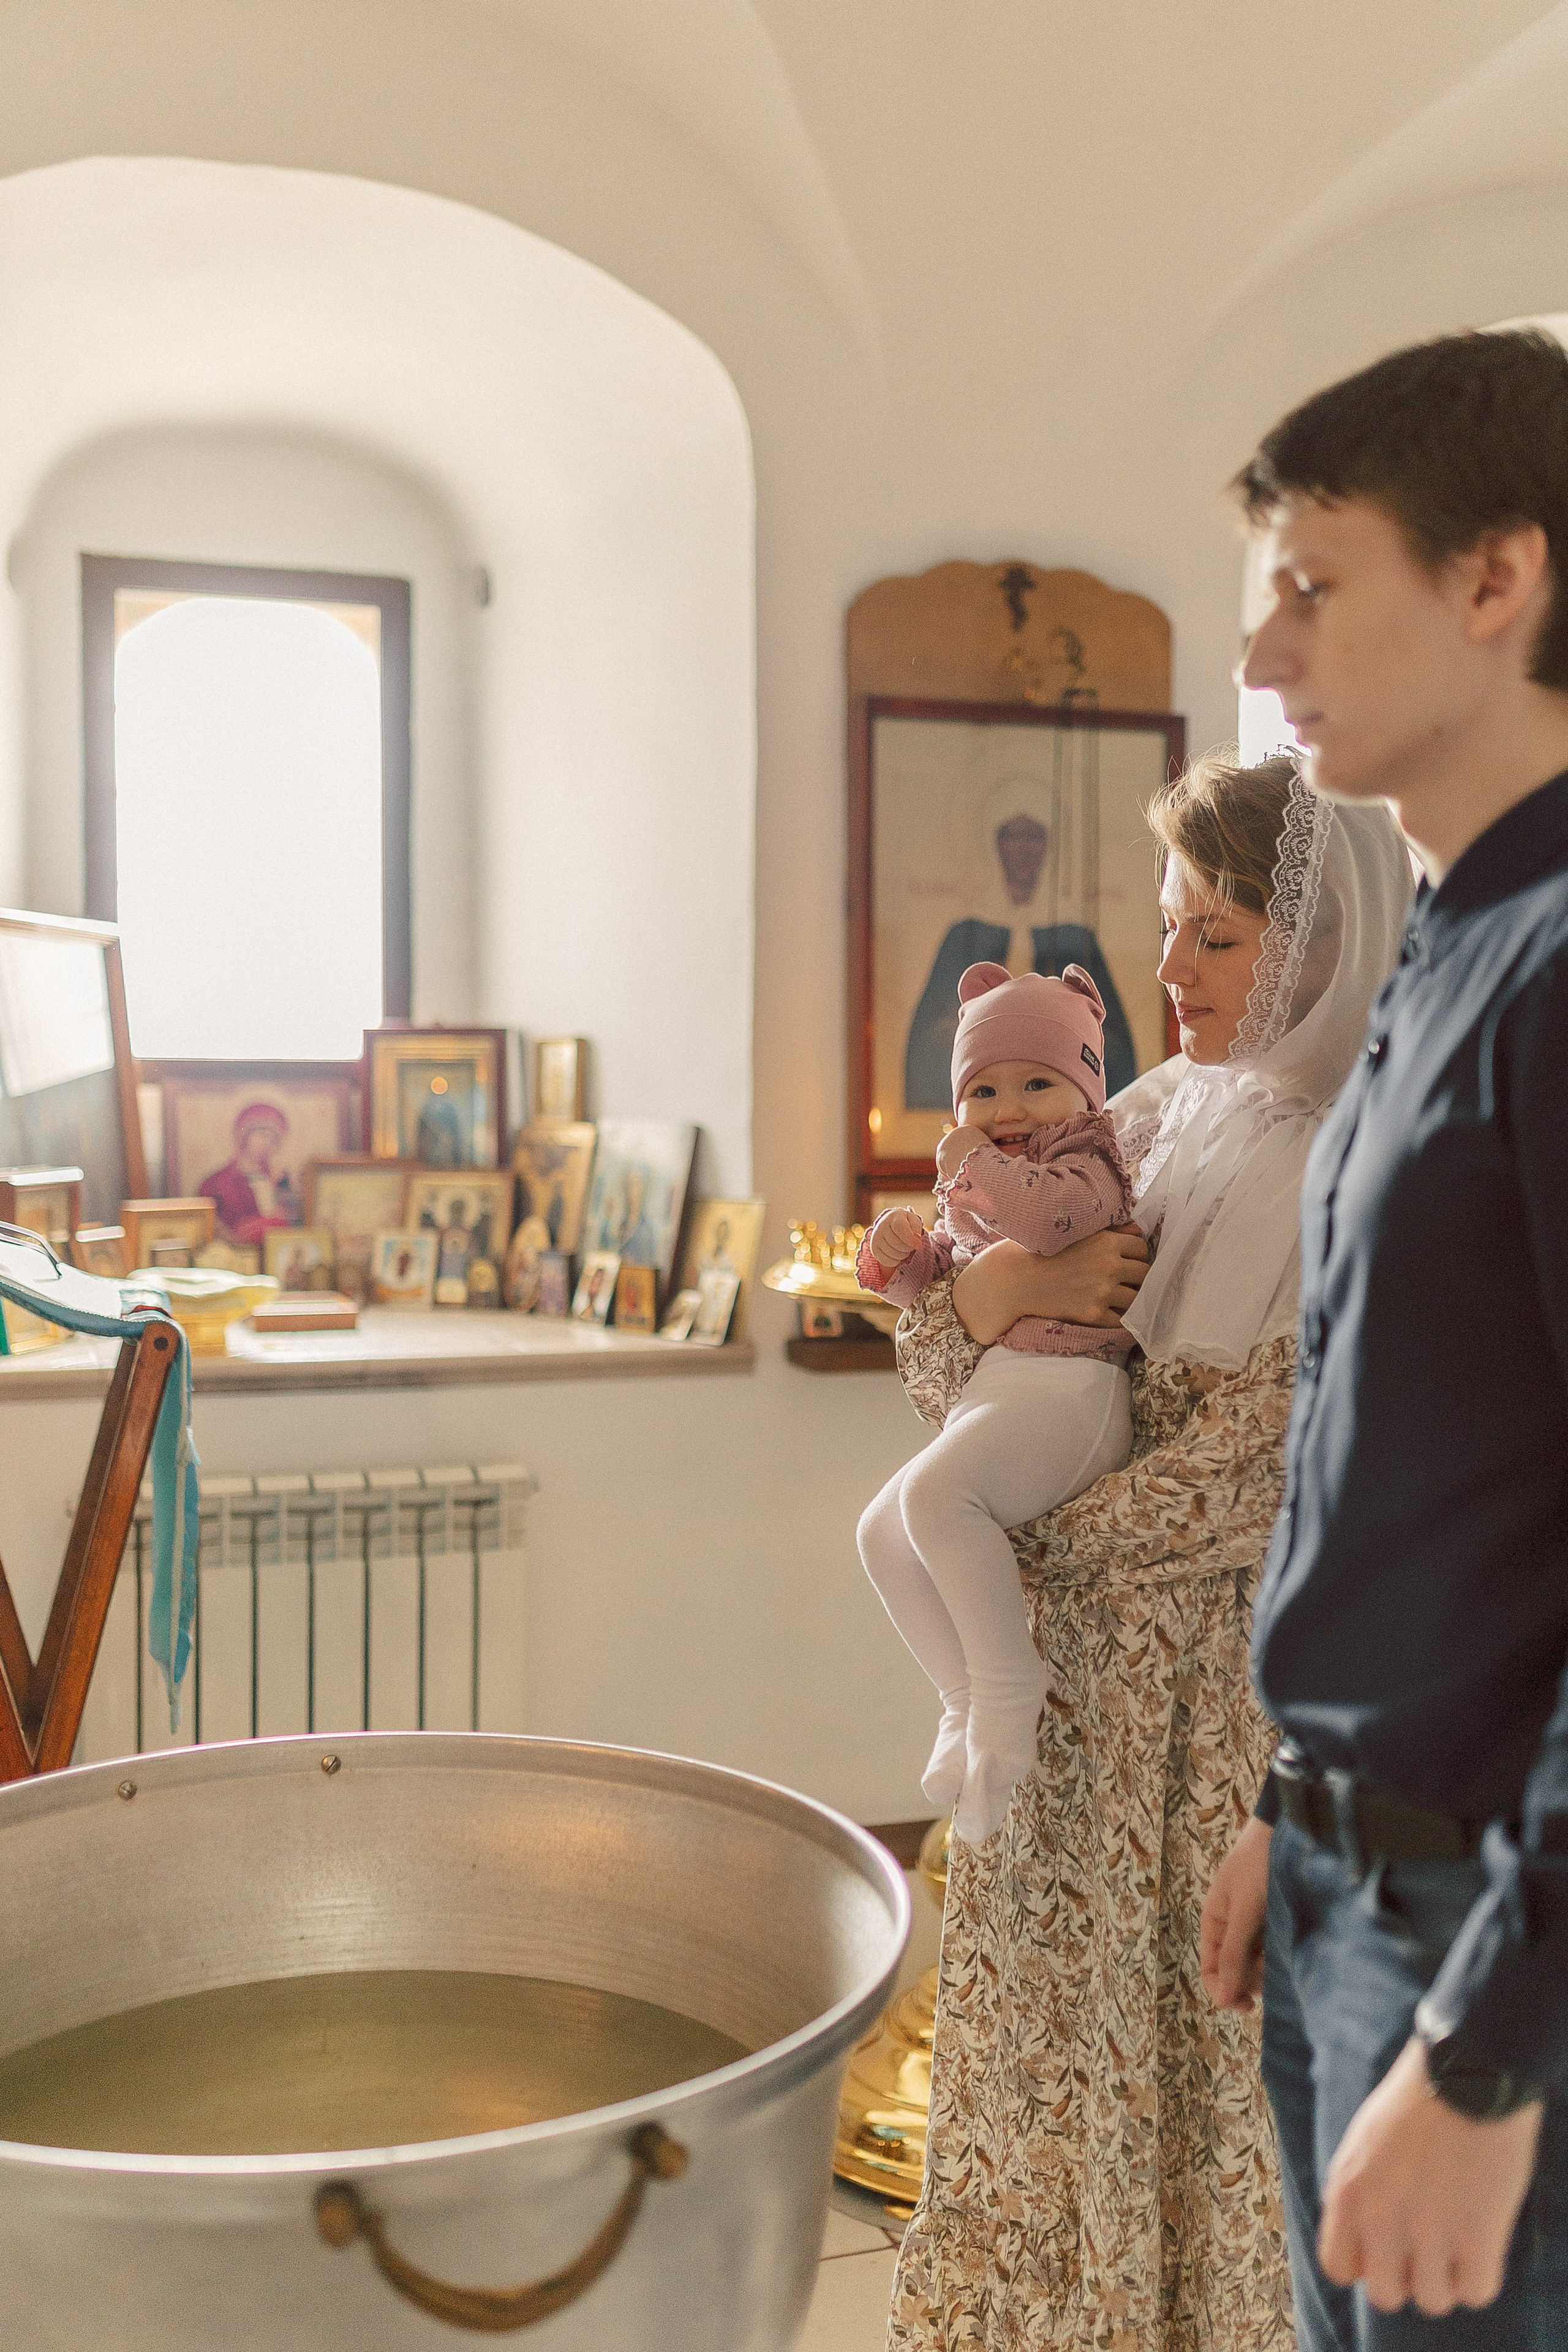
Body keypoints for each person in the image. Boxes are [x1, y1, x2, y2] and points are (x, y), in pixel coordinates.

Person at [888, 750, 1410, 2352]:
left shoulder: (1352, 1163)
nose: (1168, 968)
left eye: (1221, 935)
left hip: (1197, 1722)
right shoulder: (1150, 1111)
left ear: (1324, 947)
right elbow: (957, 1371)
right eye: (1173, 926)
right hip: (1062, 1712)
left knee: (1178, 2098)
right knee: (1040, 2080)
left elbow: (1252, 1481)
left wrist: (1017, 1545)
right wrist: (965, 1308)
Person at [1201, 327, 1568, 2347]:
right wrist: (1298, 1793)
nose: (1265, 650)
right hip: (1360, 1889)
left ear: (1498, 581)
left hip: (1497, 1954)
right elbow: (1415, 1461)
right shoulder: (1451, 940)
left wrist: (1495, 2049)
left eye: (1316, 585)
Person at [854, 963, 1136, 1844]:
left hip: (1074, 1391)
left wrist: (970, 1165)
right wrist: (899, 1258)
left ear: (1086, 1087)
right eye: (982, 1089)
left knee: (938, 1498)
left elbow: (1050, 1227)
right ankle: (963, 1695)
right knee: (881, 1529)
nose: (1008, 1107)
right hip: (1005, 1390)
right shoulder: (979, 1178)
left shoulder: (1087, 1159)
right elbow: (941, 1291)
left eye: (1037, 1082)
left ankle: (1011, 1684)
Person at [905, 775, 1136, 1107]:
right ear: (994, 843)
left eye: (1034, 836)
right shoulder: (965, 934)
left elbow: (1111, 1041)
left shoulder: (1075, 935)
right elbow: (927, 1040)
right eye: (1013, 836)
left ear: (1049, 846)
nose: (1024, 848)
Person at [198, 1101, 300, 1245]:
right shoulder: (217, 1183)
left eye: (274, 1140)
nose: (267, 1144)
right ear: (244, 1137)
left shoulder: (280, 1182)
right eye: (263, 1136)